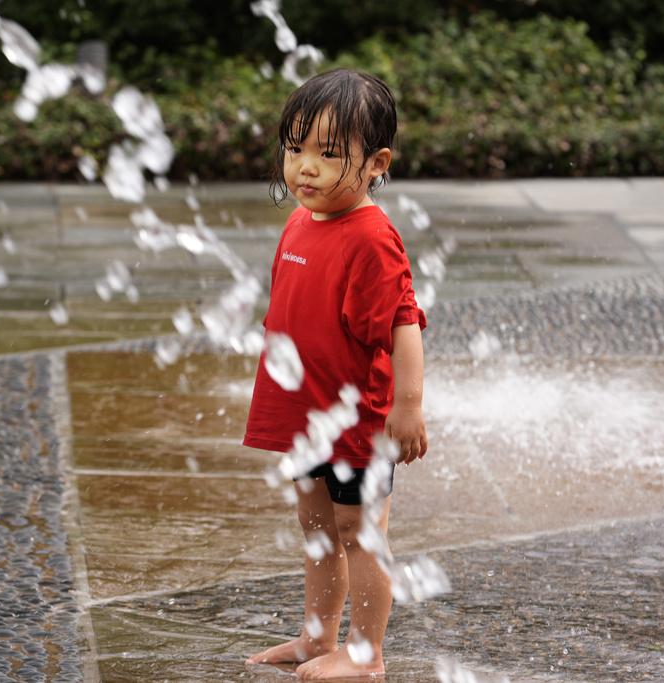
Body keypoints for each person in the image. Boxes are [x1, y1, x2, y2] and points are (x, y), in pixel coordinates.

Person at [242, 68, 428, 680]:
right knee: (316, 524)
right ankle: (316, 636)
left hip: (356, 419)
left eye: (328, 154)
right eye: (295, 150)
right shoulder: (302, 219)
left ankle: (366, 652)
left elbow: (404, 323)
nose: (304, 169)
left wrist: (407, 408)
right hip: (306, 413)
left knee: (357, 528)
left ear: (376, 163)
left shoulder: (372, 238)